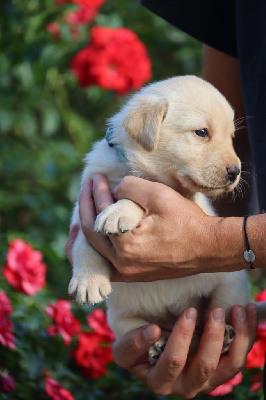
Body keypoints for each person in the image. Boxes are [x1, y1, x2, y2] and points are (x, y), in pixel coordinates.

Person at [65, 1, 266, 397]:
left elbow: (202, 232)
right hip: (146, 321)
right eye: (203, 134)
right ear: (147, 128)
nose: (233, 165)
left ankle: (225, 323)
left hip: (211, 297)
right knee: (129, 321)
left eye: (225, 137)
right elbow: (83, 224)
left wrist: (226, 244)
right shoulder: (111, 158)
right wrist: (88, 264)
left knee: (229, 286)